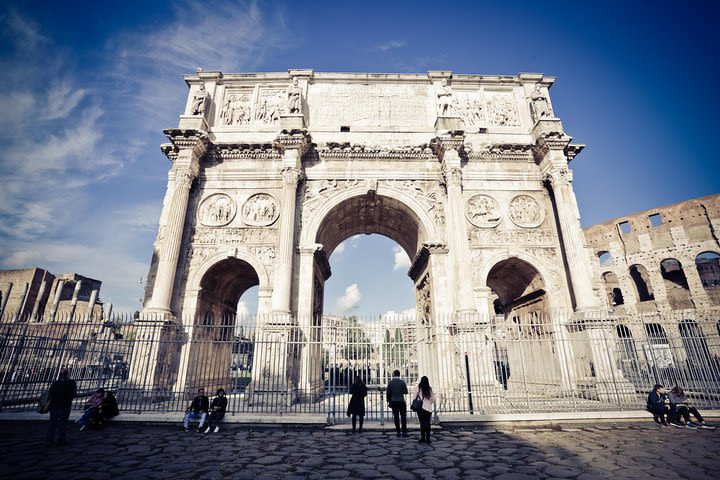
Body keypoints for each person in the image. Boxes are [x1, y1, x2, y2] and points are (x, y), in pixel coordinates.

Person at [46, 368, 77, 445]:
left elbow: (50, 394)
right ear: (67, 374)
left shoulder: (55, 383)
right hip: (65, 406)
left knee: (52, 423)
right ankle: (61, 439)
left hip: (54, 406)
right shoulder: (71, 382)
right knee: (63, 423)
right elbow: (74, 394)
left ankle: (50, 439)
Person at [414, 376, 436, 444]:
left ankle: (423, 437)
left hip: (421, 408)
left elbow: (414, 396)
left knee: (422, 423)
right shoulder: (429, 389)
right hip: (428, 408)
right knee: (427, 423)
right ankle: (428, 438)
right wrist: (429, 403)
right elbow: (433, 399)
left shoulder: (419, 387)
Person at [386, 370, 408, 437]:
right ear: (399, 375)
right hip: (401, 401)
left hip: (394, 401)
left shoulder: (391, 383)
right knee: (403, 417)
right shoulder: (402, 382)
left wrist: (388, 401)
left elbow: (388, 393)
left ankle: (398, 432)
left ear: (393, 375)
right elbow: (405, 392)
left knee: (396, 417)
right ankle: (404, 432)